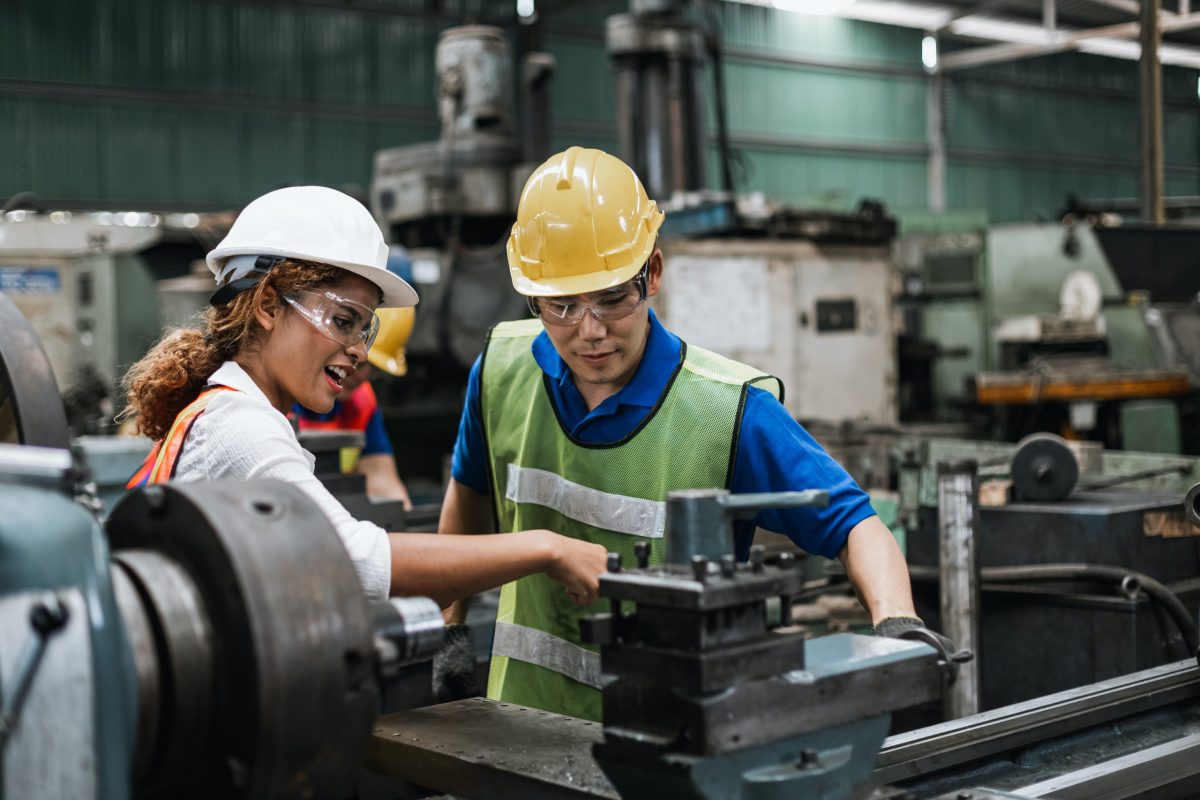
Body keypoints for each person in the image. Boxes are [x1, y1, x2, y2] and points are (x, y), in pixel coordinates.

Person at [437, 147, 924, 720]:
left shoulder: (729, 410)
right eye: (562, 306)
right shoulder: (500, 368)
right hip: (520, 724)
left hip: (670, 747)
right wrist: (450, 627)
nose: (590, 331)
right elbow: (467, 498)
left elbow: (855, 524)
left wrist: (898, 627)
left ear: (654, 275)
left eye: (613, 298)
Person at [122, 185, 608, 606]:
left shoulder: (227, 410)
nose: (357, 351)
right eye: (342, 321)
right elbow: (354, 561)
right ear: (269, 305)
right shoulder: (240, 424)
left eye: (363, 329)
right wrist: (547, 548)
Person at [293, 305, 415, 510]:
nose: (359, 374)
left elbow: (382, 481)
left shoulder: (362, 401)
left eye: (372, 368)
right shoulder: (275, 398)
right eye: (356, 361)